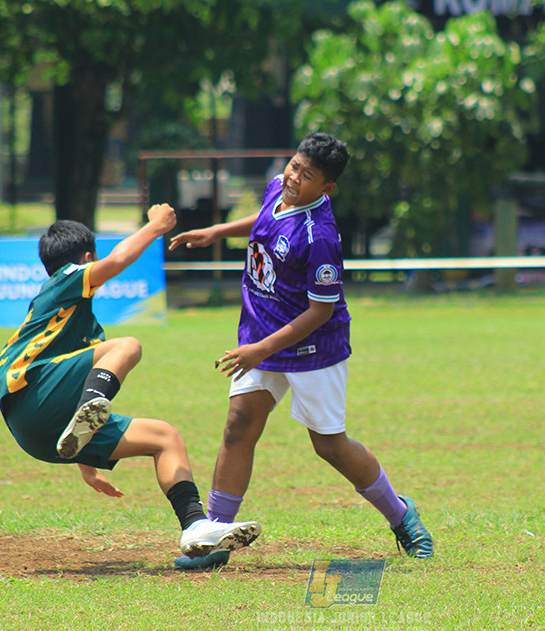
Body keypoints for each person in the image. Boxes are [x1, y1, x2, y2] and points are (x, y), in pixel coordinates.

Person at [168, 133, 433, 569]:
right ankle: (214, 538)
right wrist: (218, 231)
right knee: (238, 427)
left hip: (312, 348)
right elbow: (265, 221)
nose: (294, 177)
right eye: (294, 165)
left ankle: (402, 516)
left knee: (329, 446)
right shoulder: (278, 187)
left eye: (307, 175)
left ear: (328, 188)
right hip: (263, 334)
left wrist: (259, 350)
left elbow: (321, 310)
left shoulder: (320, 236)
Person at [0, 206, 261, 560]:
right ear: (88, 258)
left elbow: (75, 414)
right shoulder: (65, 278)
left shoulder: (81, 327)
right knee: (128, 346)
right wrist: (156, 226)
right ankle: (93, 405)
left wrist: (87, 465)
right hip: (32, 390)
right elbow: (119, 260)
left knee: (165, 437)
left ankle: (195, 526)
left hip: (38, 435)